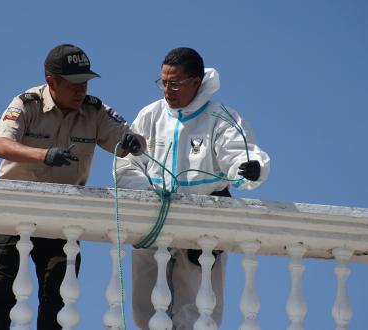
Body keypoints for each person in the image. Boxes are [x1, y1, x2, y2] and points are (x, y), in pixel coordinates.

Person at [0, 44, 144, 329]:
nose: (81, 91)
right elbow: (2, 145)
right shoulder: (26, 103)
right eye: (73, 84)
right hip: (12, 209)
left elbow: (131, 140)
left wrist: (133, 143)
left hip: (61, 217)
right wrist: (44, 155)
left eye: (85, 82)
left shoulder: (94, 110)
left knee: (57, 299)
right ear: (51, 81)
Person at [116, 47, 270, 329]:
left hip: (202, 225)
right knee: (146, 305)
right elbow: (127, 164)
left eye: (174, 83)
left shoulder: (221, 117)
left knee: (199, 310)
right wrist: (147, 197)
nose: (167, 90)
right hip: (153, 222)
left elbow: (241, 155)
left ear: (196, 82)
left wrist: (251, 168)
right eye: (162, 82)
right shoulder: (150, 115)